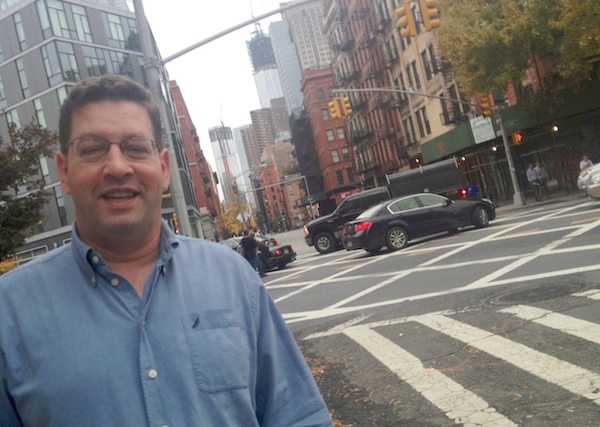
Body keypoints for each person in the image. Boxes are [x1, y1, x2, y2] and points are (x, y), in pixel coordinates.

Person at [0, 74, 332, 426]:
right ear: (64, 172)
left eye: (135, 147)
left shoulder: (233, 278)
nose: (116, 166)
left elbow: (298, 416)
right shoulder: (10, 312)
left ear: (163, 168)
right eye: (93, 149)